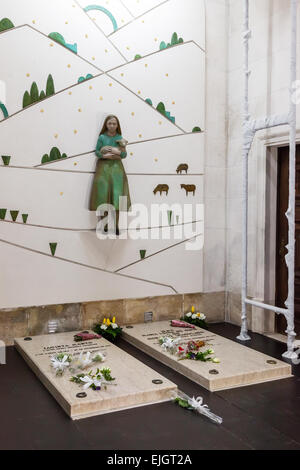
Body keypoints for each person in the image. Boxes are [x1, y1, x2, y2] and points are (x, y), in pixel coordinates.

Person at [89, 115, 132, 235]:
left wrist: (116, 152)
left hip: (117, 171)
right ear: (106, 125)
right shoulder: (102, 137)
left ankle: (116, 225)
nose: (112, 126)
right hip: (103, 170)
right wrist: (104, 155)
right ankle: (104, 225)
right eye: (110, 123)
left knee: (117, 197)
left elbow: (123, 155)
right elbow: (97, 151)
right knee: (103, 197)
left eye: (114, 124)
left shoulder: (120, 138)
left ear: (117, 125)